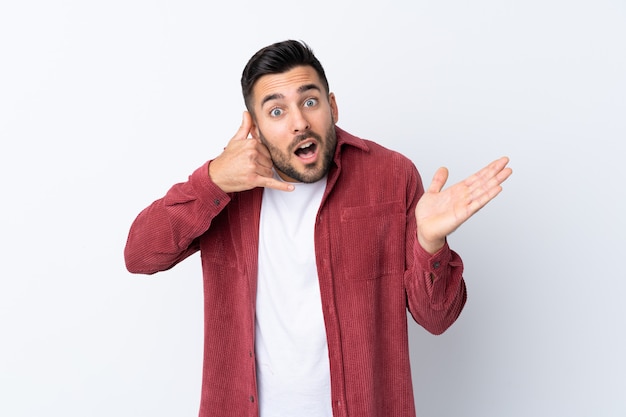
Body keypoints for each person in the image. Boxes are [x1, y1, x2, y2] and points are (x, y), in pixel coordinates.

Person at [124, 39, 512, 417]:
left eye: (310, 102)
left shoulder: (391, 176)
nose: (299, 122)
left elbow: (438, 319)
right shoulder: (225, 188)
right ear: (255, 128)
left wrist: (430, 242)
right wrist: (211, 181)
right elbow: (140, 256)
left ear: (332, 106)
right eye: (276, 112)